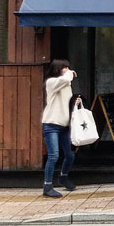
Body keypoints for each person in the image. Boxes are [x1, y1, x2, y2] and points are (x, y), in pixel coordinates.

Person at [41, 59, 78, 198]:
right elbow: (65, 79)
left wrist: (75, 102)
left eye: (68, 67)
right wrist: (70, 73)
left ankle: (63, 176)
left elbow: (65, 103)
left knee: (70, 155)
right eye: (64, 67)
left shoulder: (66, 84)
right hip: (51, 124)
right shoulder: (51, 82)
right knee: (53, 156)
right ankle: (47, 186)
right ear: (57, 69)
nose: (67, 69)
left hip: (65, 125)